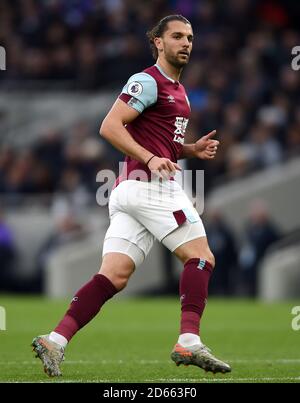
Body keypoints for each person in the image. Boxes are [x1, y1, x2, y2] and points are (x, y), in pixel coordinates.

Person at [32, 15, 231, 377]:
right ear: (158, 41)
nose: (186, 43)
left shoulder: (178, 89)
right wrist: (153, 158)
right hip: (148, 186)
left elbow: (162, 143)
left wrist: (189, 150)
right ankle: (188, 342)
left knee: (114, 275)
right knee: (201, 257)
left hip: (129, 191)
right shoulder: (147, 81)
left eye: (190, 37)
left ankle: (55, 340)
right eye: (177, 36)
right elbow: (109, 126)